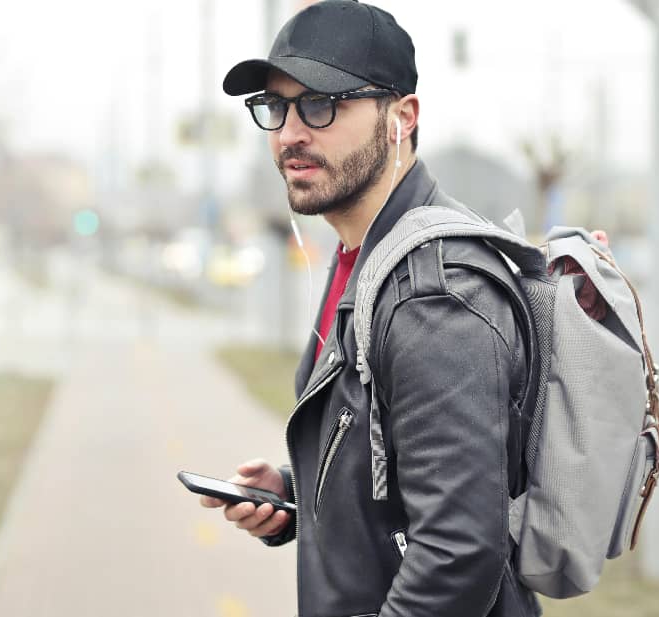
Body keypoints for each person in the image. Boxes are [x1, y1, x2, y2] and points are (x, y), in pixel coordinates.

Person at [195, 2, 543, 615]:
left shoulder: (433, 295)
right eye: (277, 106)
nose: (290, 133)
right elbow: (400, 477)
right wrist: (295, 497)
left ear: (400, 118)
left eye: (322, 104)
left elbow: (458, 551)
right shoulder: (365, 254)